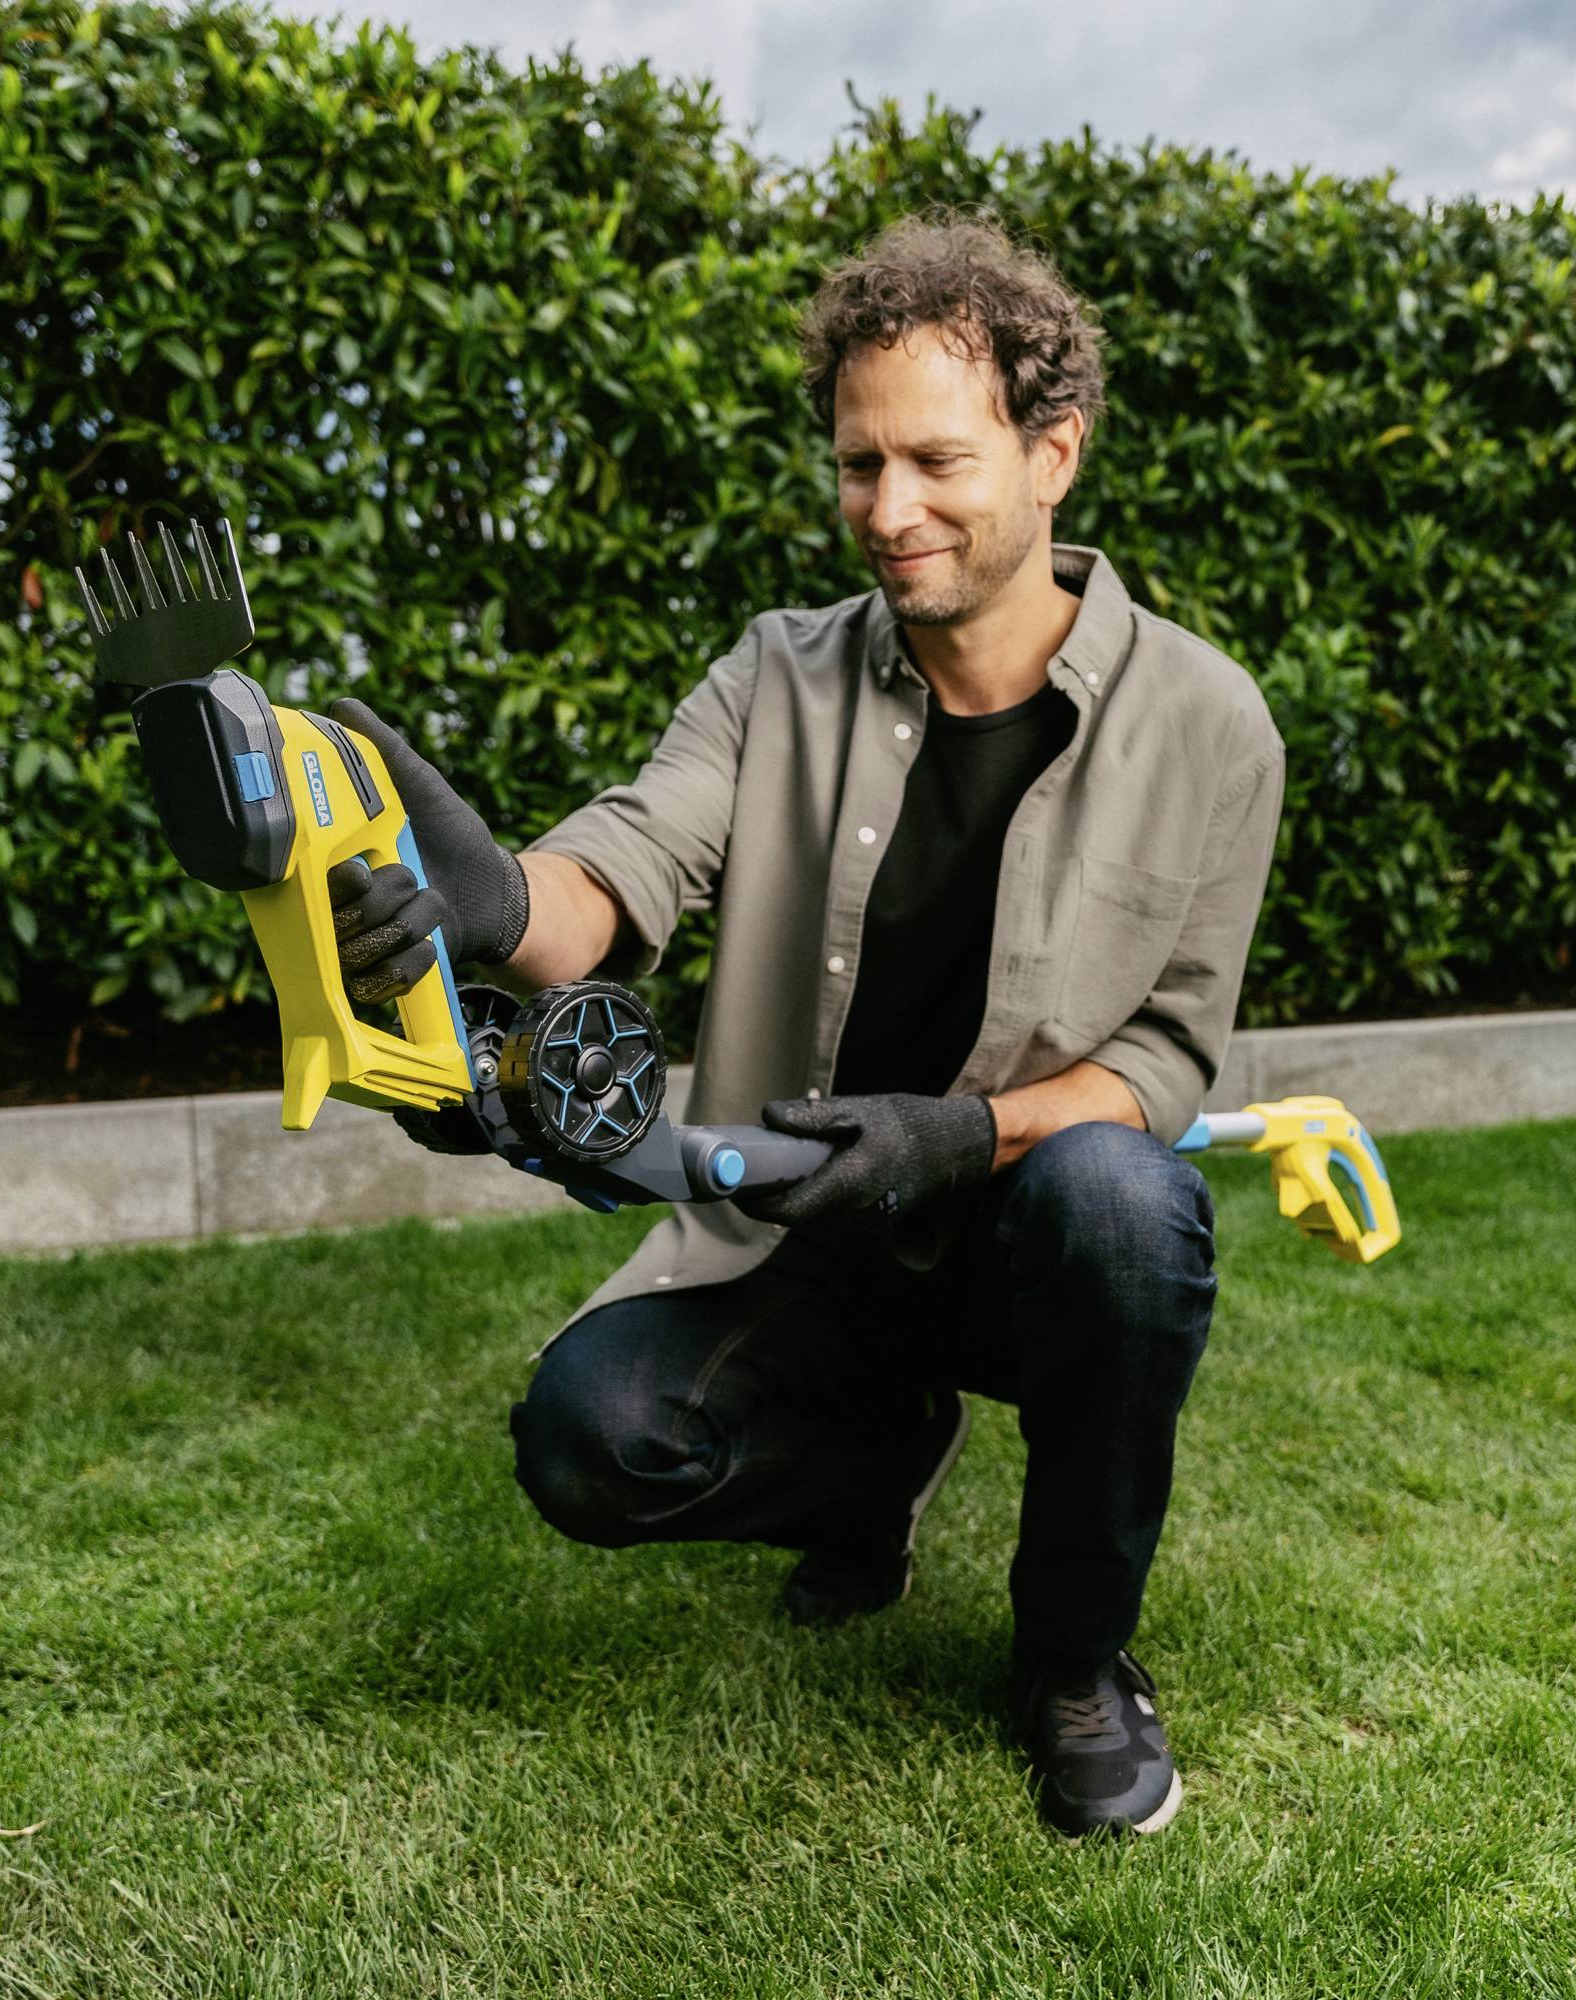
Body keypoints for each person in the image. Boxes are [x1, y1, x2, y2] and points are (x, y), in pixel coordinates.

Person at [321, 212, 1285, 1838]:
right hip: (795, 1221)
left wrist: (960, 1134)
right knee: (590, 1443)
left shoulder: (1211, 725)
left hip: (1019, 1230)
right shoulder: (779, 675)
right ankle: (874, 1468)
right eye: (856, 465)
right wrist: (493, 909)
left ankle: (1074, 1656)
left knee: (1127, 1208)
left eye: (935, 460)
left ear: (1055, 454)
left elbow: (1167, 1060)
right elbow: (629, 862)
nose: (887, 512)